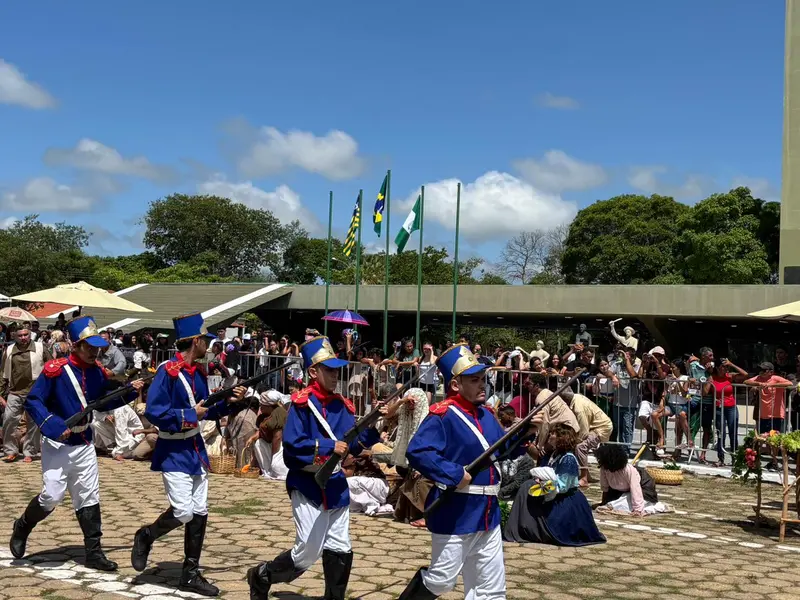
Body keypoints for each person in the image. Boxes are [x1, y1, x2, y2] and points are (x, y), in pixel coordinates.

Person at [247, 336, 382, 600]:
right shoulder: (300, 405)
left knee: (341, 547)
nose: (335, 375)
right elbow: (294, 447)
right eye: (328, 369)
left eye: (336, 369)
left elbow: (352, 446)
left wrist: (376, 425)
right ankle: (262, 575)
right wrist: (330, 445)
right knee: (307, 552)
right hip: (307, 484)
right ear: (312, 372)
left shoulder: (342, 405)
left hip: (335, 486)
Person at [9, 316, 145, 570]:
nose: (95, 352)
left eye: (97, 347)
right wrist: (52, 425)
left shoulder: (96, 372)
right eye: (89, 347)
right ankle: (23, 525)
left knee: (88, 496)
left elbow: (102, 400)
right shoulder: (56, 371)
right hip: (58, 443)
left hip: (84, 441)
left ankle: (93, 553)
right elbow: (34, 401)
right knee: (51, 496)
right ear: (75, 345)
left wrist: (129, 391)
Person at [397, 344, 525, 600]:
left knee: (491, 589)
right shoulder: (442, 415)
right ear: (456, 385)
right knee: (441, 580)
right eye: (475, 380)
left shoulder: (487, 415)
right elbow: (419, 452)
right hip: (456, 511)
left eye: (483, 379)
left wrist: (526, 430)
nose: (483, 385)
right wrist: (454, 473)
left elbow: (500, 449)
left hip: (487, 511)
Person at [130, 313, 246, 597]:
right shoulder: (168, 371)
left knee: (200, 511)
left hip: (195, 448)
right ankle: (146, 534)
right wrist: (188, 415)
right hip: (173, 448)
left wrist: (231, 403)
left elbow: (207, 413)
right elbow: (155, 411)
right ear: (196, 341)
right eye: (205, 340)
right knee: (183, 511)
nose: (208, 345)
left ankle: (190, 574)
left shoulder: (198, 374)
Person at [503, 424, 606, 547]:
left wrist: (544, 483)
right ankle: (522, 527)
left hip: (565, 498)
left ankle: (529, 528)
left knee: (528, 486)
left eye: (553, 434)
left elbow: (563, 485)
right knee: (527, 486)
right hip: (551, 492)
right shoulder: (553, 454)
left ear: (561, 438)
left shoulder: (568, 458)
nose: (550, 436)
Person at [1, 325, 51, 463]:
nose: (23, 338)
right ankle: (11, 451)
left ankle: (30, 452)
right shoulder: (9, 350)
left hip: (35, 392)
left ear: (30, 334)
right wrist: (0, 393)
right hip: (15, 392)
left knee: (33, 423)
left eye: (26, 335)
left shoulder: (40, 348)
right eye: (20, 335)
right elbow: (3, 373)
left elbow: (51, 367)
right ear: (14, 336)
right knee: (9, 420)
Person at [594, 443, 668, 516]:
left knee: (625, 502)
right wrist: (604, 502)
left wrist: (638, 510)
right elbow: (605, 487)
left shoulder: (629, 470)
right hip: (620, 492)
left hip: (643, 491)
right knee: (616, 501)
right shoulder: (604, 469)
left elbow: (636, 490)